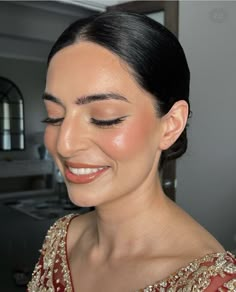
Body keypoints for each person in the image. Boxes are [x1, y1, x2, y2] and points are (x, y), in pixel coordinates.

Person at [27, 11, 236, 292]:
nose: (65, 143)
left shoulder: (213, 284)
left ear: (170, 126)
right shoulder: (63, 236)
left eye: (104, 117)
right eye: (54, 115)